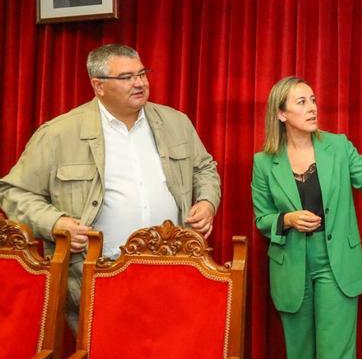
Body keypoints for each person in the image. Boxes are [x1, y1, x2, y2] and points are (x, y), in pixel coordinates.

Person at [0, 43, 221, 328]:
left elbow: (204, 168)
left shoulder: (176, 122)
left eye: (142, 73)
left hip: (173, 266)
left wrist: (207, 201)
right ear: (98, 85)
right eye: (127, 77)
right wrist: (55, 222)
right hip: (98, 273)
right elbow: (13, 191)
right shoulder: (59, 133)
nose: (140, 83)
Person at [251, 76, 362, 359]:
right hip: (291, 269)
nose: (312, 107)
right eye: (302, 102)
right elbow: (262, 218)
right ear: (281, 113)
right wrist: (287, 220)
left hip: (335, 266)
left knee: (335, 354)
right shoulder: (263, 163)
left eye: (313, 100)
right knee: (298, 354)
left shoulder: (338, 147)